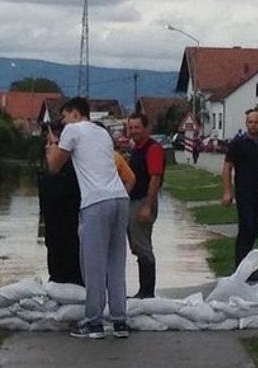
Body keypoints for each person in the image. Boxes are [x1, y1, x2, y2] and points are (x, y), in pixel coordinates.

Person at [47, 97, 135, 339]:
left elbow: (54, 166)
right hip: (119, 199)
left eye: (64, 116)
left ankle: (94, 321)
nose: (62, 122)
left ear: (74, 113)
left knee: (93, 264)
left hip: (95, 202)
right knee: (116, 263)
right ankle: (120, 321)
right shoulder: (102, 132)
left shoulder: (72, 131)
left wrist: (51, 145)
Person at [222, 110, 258, 269]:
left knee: (255, 230)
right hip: (243, 192)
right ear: (246, 124)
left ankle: (248, 264)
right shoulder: (237, 143)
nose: (253, 125)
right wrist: (227, 191)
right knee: (247, 227)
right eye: (250, 122)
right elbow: (227, 168)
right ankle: (241, 266)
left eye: (256, 122)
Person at [125, 113, 165, 299]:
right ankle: (143, 290)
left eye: (137, 127)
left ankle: (147, 291)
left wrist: (148, 205)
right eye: (131, 127)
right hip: (134, 201)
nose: (133, 131)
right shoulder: (136, 149)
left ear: (146, 128)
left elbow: (155, 177)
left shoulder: (153, 149)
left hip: (143, 201)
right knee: (137, 245)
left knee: (143, 246)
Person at [39, 122, 84, 285]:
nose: (47, 148)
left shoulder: (72, 171)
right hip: (53, 234)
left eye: (51, 144)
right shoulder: (47, 173)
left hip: (69, 235)